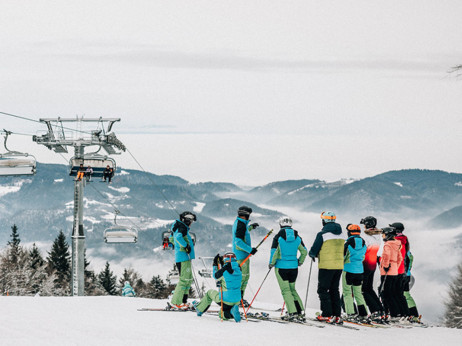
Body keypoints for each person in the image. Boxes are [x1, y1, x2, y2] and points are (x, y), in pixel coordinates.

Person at [269, 216, 307, 322]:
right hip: (294, 268)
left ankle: (292, 313)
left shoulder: (278, 237)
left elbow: (274, 252)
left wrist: (271, 263)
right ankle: (300, 311)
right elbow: (304, 251)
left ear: (280, 224)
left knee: (286, 291)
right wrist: (300, 261)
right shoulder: (297, 237)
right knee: (292, 289)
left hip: (281, 268)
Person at [309, 211, 345, 324]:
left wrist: (312, 254)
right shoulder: (342, 234)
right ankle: (337, 314)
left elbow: (314, 249)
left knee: (323, 289)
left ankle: (326, 314)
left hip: (326, 266)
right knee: (334, 289)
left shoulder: (322, 234)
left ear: (324, 221)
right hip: (339, 265)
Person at [193, 252, 242, 322]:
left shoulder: (224, 270)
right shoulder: (239, 269)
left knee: (210, 293)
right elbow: (229, 270)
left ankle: (199, 309)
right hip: (237, 299)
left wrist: (215, 264)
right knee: (220, 314)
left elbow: (215, 276)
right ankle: (232, 311)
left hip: (226, 300)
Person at [391, 222, 420, 322]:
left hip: (399, 273)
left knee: (400, 295)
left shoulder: (397, 241)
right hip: (406, 273)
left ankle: (408, 315)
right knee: (406, 295)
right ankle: (414, 315)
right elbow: (410, 257)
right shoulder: (405, 240)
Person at [169, 211, 197, 309]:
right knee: (184, 280)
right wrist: (186, 246)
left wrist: (180, 247)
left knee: (187, 280)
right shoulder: (182, 227)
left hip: (183, 257)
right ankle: (176, 302)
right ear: (188, 220)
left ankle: (183, 301)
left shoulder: (178, 226)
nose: (192, 223)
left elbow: (171, 239)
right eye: (192, 221)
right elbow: (177, 237)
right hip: (183, 258)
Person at [231, 205, 259, 305]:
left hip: (241, 255)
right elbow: (238, 241)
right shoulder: (241, 225)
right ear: (245, 215)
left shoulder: (240, 223)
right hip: (241, 256)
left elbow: (241, 234)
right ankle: (238, 299)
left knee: (243, 277)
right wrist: (250, 250)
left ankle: (239, 298)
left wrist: (250, 227)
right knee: (243, 277)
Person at [360, 216, 385, 322]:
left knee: (363, 290)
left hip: (365, 264)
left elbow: (362, 250)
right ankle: (380, 310)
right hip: (373, 264)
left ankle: (375, 311)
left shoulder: (365, 236)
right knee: (369, 288)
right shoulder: (379, 236)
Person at [342, 224, 368, 323]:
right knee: (358, 293)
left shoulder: (348, 243)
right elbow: (363, 256)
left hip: (348, 270)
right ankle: (364, 314)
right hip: (359, 270)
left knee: (347, 293)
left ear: (349, 232)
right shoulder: (363, 242)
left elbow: (343, 256)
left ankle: (350, 314)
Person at [379, 226, 403, 321]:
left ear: (388, 235)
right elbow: (400, 258)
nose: (382, 235)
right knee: (391, 292)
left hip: (387, 272)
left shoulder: (388, 244)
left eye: (384, 234)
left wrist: (385, 265)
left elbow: (386, 256)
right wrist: (395, 267)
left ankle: (393, 314)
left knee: (385, 293)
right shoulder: (397, 244)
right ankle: (397, 313)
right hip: (394, 271)